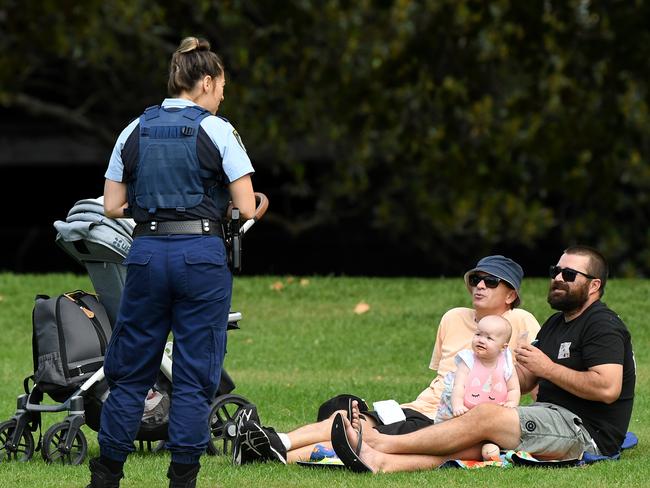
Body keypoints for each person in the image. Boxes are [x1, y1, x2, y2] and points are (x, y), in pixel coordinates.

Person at [86, 37, 256, 488]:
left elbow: (111, 204)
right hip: (200, 257)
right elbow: (244, 204)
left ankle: (106, 477)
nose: (222, 96)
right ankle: (182, 479)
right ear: (205, 82)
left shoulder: (133, 130)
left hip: (145, 254)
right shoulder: (218, 131)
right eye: (221, 87)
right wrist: (249, 205)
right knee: (196, 372)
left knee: (129, 373)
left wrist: (153, 207)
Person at [331, 246, 636, 473]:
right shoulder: (558, 323)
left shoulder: (602, 325)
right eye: (554, 271)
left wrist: (549, 369)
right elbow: (527, 377)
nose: (557, 278)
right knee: (469, 442)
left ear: (594, 285)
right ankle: (381, 462)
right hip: (548, 415)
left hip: (584, 432)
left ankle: (378, 443)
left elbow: (607, 388)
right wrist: (491, 370)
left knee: (486, 417)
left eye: (568, 275)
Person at [232, 255, 540, 465]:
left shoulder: (521, 322)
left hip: (451, 423)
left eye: (490, 281)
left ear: (511, 294)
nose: (479, 286)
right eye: (475, 280)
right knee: (351, 420)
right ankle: (276, 443)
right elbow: (439, 378)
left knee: (361, 434)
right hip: (419, 408)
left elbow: (535, 380)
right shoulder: (453, 318)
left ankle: (268, 449)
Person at [434, 314, 520, 460]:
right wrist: (457, 405)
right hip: (462, 410)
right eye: (478, 334)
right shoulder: (468, 360)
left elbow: (514, 389)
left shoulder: (506, 364)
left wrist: (511, 403)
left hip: (492, 412)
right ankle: (442, 443)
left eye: (489, 338)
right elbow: (459, 386)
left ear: (503, 347)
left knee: (496, 431)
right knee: (451, 431)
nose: (481, 340)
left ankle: (489, 446)